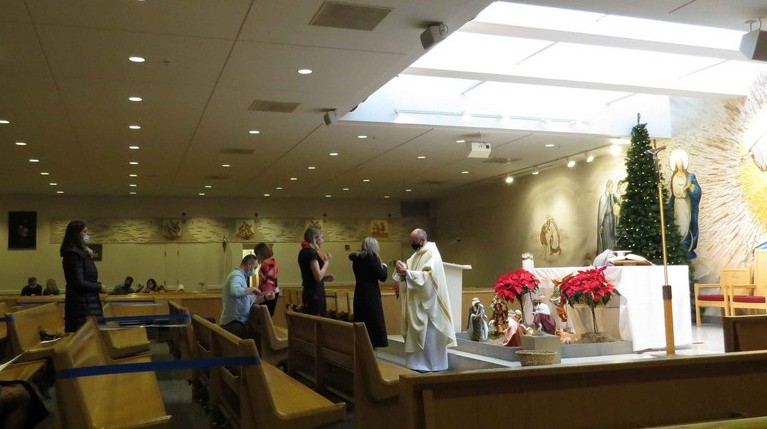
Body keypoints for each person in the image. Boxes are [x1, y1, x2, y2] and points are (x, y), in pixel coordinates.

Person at [393, 228, 456, 372]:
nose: (412, 244)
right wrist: (402, 269)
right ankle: (417, 364)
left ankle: (434, 365)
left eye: (413, 241)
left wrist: (408, 274)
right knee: (420, 336)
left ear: (422, 240)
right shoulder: (417, 255)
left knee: (430, 338)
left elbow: (428, 277)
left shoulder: (432, 253)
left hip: (429, 304)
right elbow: (409, 271)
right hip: (417, 303)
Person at [60, 220, 106, 333]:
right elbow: (78, 282)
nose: (88, 234)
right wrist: (99, 287)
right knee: (86, 337)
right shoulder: (73, 254)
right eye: (84, 231)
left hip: (87, 303)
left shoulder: (81, 253)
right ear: (76, 234)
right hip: (81, 306)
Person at [349, 237, 388, 348]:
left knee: (362, 318)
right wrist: (384, 267)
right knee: (373, 319)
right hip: (371, 293)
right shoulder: (372, 258)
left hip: (359, 292)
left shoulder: (357, 259)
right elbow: (382, 277)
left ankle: (362, 344)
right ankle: (373, 345)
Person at [219, 255, 272, 338]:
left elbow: (249, 300)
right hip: (234, 323)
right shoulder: (237, 275)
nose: (254, 271)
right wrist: (252, 289)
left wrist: (265, 297)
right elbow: (235, 292)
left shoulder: (241, 277)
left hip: (236, 322)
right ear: (249, 264)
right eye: (255, 267)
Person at [669, 149, 701, 259]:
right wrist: (683, 190)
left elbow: (697, 191)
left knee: (687, 222)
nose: (680, 165)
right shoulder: (674, 177)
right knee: (680, 223)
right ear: (675, 165)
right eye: (678, 163)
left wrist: (691, 187)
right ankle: (679, 244)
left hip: (687, 203)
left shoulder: (689, 176)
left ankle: (686, 245)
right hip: (679, 203)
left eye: (681, 163)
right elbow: (675, 191)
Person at [298, 226, 334, 316]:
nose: (323, 240)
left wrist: (324, 278)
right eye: (321, 237)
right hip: (315, 292)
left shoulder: (302, 252)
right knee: (318, 319)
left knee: (311, 319)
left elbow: (306, 275)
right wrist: (327, 262)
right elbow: (318, 277)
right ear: (315, 238)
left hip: (307, 290)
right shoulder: (311, 252)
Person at [254, 242, 280, 317]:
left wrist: (258, 292)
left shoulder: (264, 264)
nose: (256, 256)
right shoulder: (273, 262)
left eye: (256, 254)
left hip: (267, 292)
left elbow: (263, 280)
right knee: (269, 316)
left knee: (264, 317)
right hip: (275, 291)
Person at [597, 179, 620, 253]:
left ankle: (612, 252)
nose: (612, 189)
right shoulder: (603, 197)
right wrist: (600, 224)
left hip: (612, 219)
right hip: (606, 220)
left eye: (612, 187)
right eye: (611, 187)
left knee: (612, 238)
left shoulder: (612, 197)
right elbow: (601, 212)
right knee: (606, 238)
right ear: (608, 187)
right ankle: (606, 253)